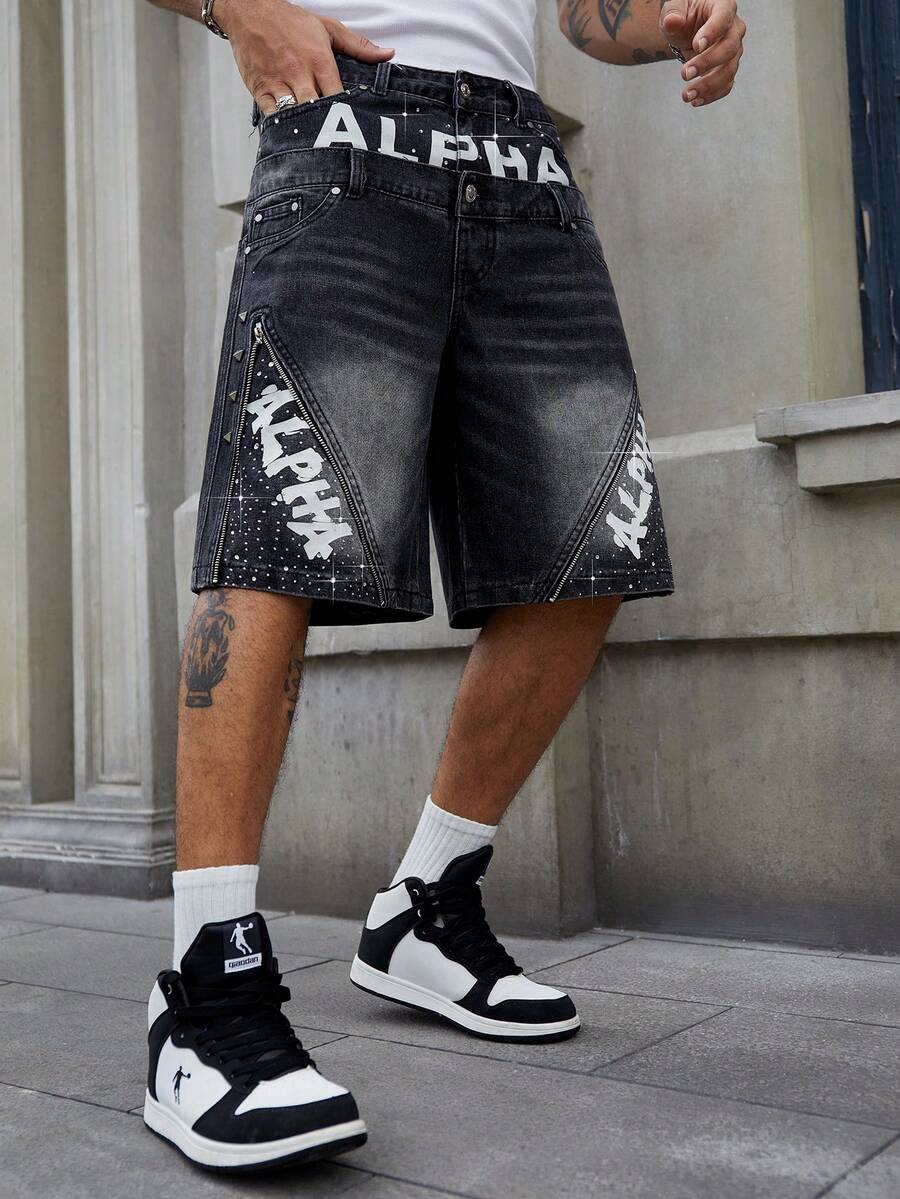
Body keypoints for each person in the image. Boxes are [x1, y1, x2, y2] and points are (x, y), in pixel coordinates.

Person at [142, 0, 746, 1173]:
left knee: (590, 540)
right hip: (344, 130)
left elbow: (580, 16)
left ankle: (426, 899)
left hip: (525, 165)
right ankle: (205, 990)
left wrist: (671, 26)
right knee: (277, 528)